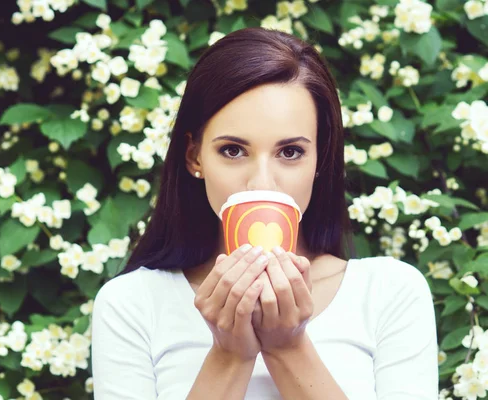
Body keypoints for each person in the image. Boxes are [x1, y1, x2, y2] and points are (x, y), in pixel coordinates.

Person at [91, 27, 438, 399]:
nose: (262, 182)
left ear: (320, 159)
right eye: (233, 151)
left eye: (290, 152)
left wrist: (288, 347)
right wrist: (229, 355)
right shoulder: (132, 304)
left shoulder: (390, 293)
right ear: (195, 157)